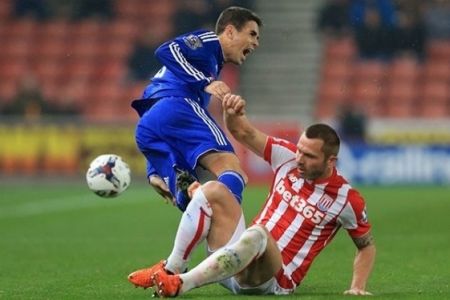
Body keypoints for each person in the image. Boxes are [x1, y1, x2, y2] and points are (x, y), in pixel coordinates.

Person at [128, 94, 376, 296]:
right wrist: (231, 113)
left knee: (258, 233)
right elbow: (244, 133)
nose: (299, 159)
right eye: (299, 151)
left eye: (309, 156)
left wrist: (357, 287)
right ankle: (172, 269)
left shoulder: (346, 198)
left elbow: (366, 246)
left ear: (331, 160)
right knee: (213, 189)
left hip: (272, 279)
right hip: (232, 262)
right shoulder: (288, 158)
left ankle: (182, 284)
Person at [131, 6, 262, 212]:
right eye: (252, 34)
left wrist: (153, 170)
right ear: (229, 31)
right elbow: (166, 49)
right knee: (233, 171)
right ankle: (232, 239)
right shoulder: (210, 42)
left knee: (190, 197)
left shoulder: (200, 65)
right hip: (176, 106)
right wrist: (204, 81)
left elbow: (155, 115)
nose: (256, 43)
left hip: (148, 125)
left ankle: (187, 197)